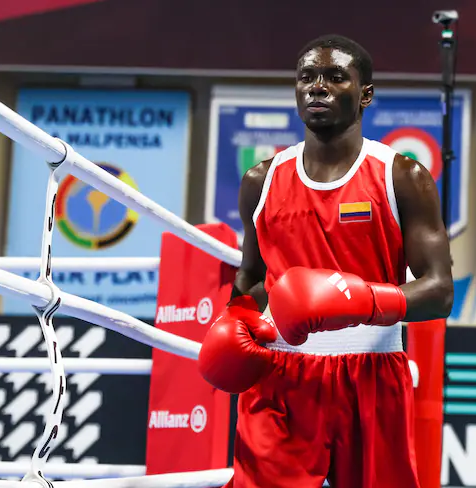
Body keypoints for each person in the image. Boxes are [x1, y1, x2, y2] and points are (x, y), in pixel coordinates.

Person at [198, 34, 454, 488]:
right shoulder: (262, 181)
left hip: (371, 373)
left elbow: (438, 291)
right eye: (307, 77)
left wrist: (361, 299)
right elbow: (252, 279)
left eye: (335, 77)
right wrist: (235, 319)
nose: (318, 87)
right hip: (283, 378)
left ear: (365, 95)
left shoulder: (402, 176)